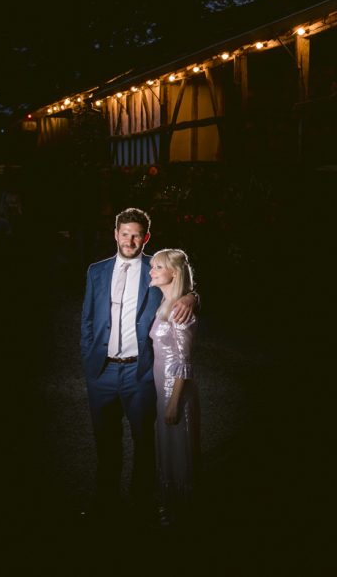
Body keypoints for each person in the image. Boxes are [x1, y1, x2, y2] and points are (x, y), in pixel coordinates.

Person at [80, 208, 198, 522]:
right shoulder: (96, 271)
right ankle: (105, 500)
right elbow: (88, 319)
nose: (130, 241)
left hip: (139, 371)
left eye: (136, 235)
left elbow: (181, 282)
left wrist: (192, 297)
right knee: (105, 440)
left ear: (146, 238)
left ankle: (141, 502)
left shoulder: (154, 269)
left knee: (144, 439)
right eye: (125, 234)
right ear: (115, 234)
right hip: (101, 371)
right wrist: (89, 359)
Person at [148, 248, 200, 526]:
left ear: (175, 273)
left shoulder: (181, 310)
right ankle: (168, 503)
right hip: (161, 385)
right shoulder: (165, 303)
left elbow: (185, 362)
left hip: (174, 390)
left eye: (158, 267)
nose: (152, 271)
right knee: (166, 444)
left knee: (179, 446)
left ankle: (182, 510)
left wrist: (174, 401)